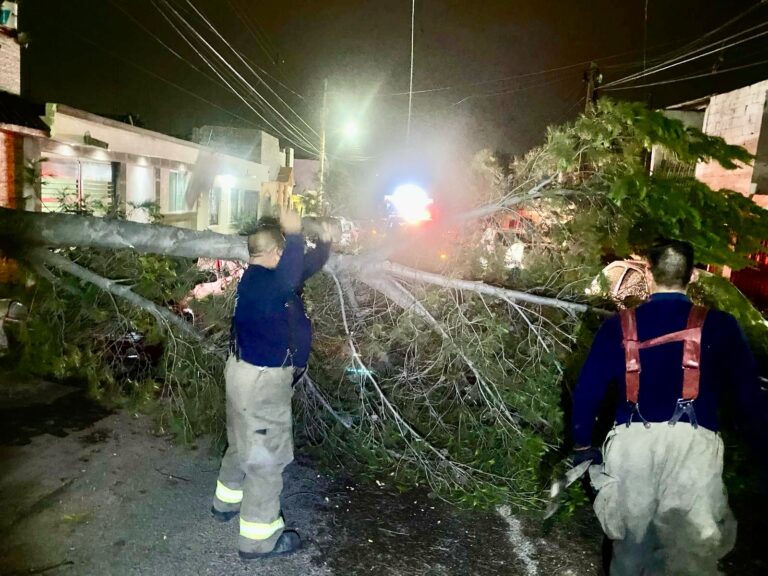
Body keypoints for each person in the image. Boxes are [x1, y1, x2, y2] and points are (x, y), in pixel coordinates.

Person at [572, 240, 768, 575]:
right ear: (693, 276)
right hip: (694, 447)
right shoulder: (722, 326)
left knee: (631, 545)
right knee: (689, 551)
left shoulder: (618, 325)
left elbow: (587, 391)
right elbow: (748, 398)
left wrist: (582, 445)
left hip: (633, 444)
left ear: (648, 274)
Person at [211, 204, 332, 560]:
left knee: (241, 441)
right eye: (284, 250)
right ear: (276, 252)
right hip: (262, 383)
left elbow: (301, 270)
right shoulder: (268, 282)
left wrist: (323, 244)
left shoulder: (260, 277)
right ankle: (258, 540)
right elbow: (291, 273)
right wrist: (295, 233)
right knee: (266, 459)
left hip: (244, 375)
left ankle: (225, 502)